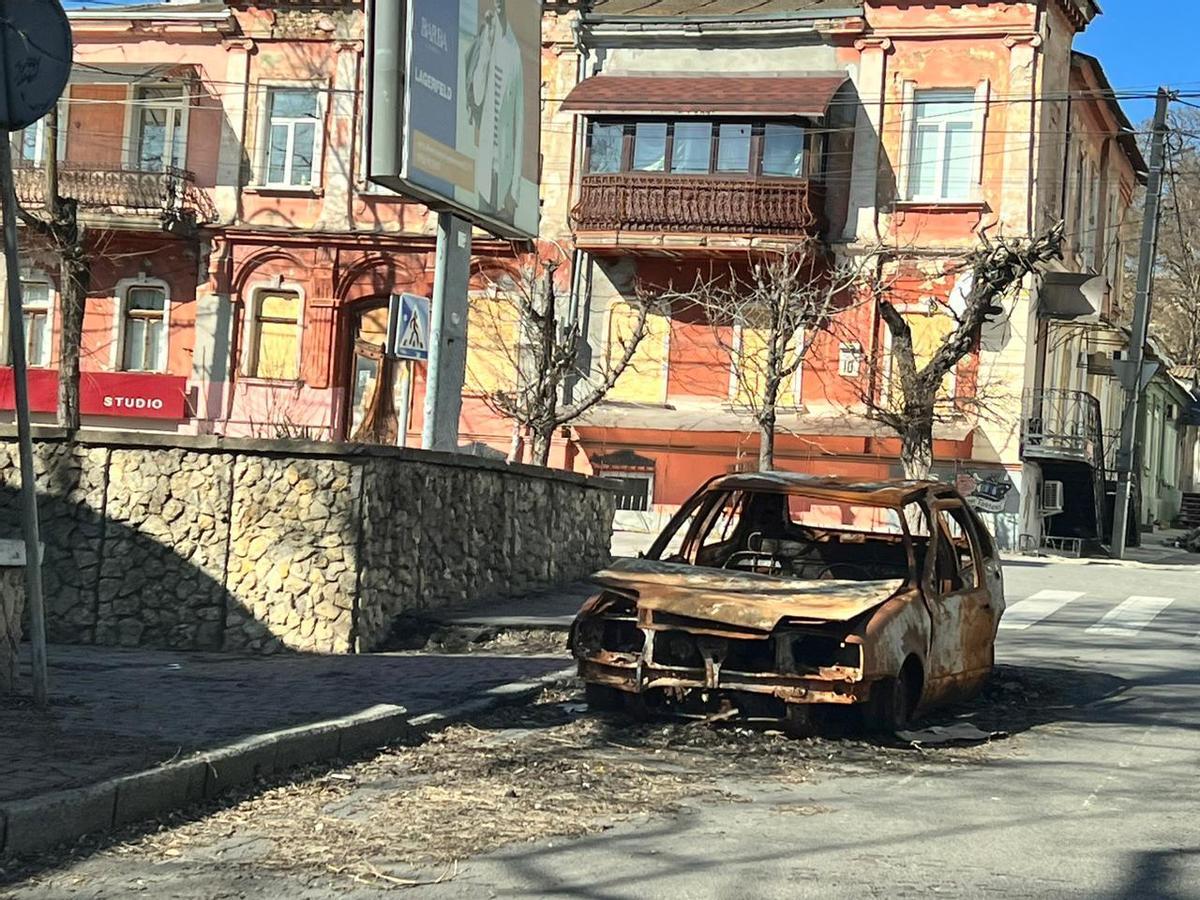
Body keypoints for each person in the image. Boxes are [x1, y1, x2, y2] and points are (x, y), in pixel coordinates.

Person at [464, 0, 524, 221]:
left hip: (505, 177)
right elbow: (478, 95)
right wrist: (487, 46)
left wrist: (515, 190)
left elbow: (519, 126)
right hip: (483, 172)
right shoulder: (485, 39)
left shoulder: (514, 53)